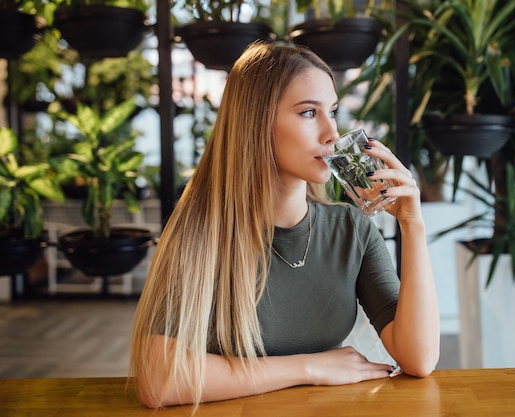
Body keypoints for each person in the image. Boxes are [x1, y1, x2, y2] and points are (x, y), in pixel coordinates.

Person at [129, 41, 440, 409]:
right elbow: (159, 380)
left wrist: (412, 225)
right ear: (256, 122)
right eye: (309, 113)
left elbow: (418, 359)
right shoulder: (201, 233)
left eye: (333, 112)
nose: (331, 134)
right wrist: (310, 368)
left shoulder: (350, 230)